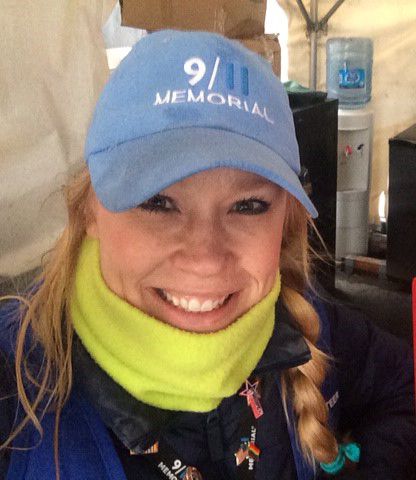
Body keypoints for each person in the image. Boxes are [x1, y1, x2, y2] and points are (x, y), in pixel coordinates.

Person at [0, 30, 415, 480]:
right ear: (89, 211)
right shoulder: (14, 392)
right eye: (157, 201)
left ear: (286, 220)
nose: (205, 259)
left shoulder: (306, 325)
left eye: (248, 205)